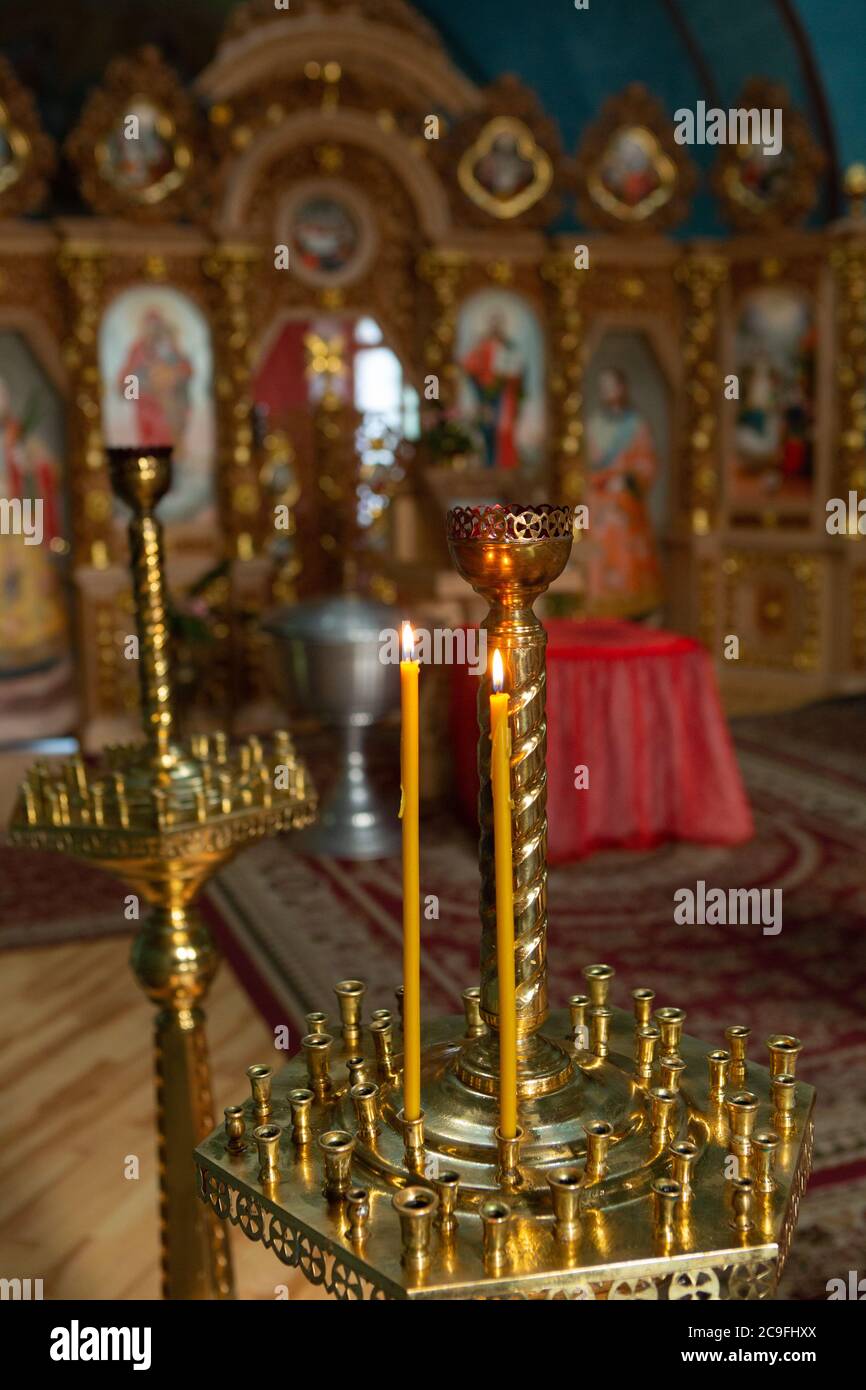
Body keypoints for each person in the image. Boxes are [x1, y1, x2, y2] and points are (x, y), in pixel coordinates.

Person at [586, 366, 662, 613]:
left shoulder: (636, 425)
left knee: (626, 547)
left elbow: (646, 462)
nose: (607, 392)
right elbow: (581, 465)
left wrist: (627, 478)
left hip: (626, 504)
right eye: (603, 387)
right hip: (598, 502)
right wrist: (600, 481)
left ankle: (632, 613)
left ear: (622, 388)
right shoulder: (594, 425)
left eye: (611, 386)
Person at [460, 311, 525, 470]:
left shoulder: (508, 346)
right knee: (487, 429)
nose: (495, 327)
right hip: (485, 395)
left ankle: (504, 464)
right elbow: (469, 366)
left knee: (503, 429)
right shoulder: (481, 346)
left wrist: (508, 378)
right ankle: (488, 464)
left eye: (498, 323)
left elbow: (518, 371)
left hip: (504, 396)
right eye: (493, 323)